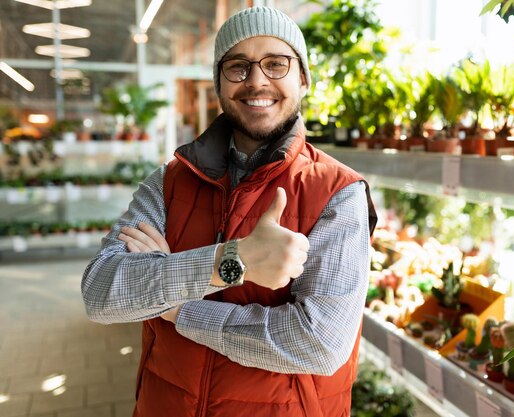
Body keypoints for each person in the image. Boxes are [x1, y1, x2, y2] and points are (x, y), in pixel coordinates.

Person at [82, 6, 376, 417]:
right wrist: (230, 263)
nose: (257, 80)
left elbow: (320, 344)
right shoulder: (168, 182)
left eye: (276, 64)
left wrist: (176, 308)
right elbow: (101, 292)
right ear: (218, 83)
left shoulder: (338, 193)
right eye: (238, 67)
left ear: (303, 78)